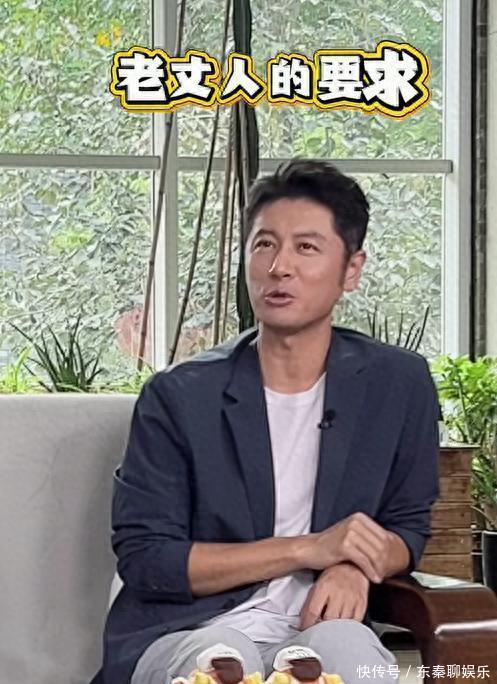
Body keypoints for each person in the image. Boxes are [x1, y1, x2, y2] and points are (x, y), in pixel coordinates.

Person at [91, 159, 440, 684]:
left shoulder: (398, 384)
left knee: (354, 658)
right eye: (264, 245)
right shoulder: (179, 397)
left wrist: (353, 564)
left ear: (352, 269)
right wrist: (309, 548)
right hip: (188, 630)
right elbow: (148, 560)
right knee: (224, 662)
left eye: (306, 247)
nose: (280, 267)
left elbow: (406, 527)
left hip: (317, 627)